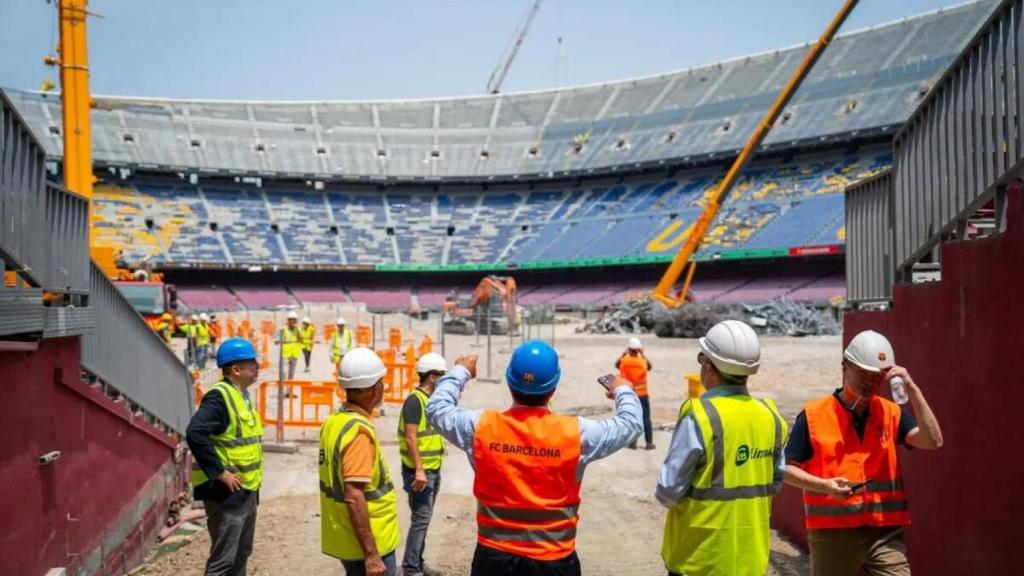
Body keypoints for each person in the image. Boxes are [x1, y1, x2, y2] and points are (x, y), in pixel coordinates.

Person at [427, 340, 642, 576]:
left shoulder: (481, 427)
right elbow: (631, 424)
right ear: (553, 387)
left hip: (494, 559)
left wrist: (461, 371)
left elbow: (436, 409)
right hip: (554, 560)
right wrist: (622, 390)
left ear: (510, 382)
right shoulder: (576, 434)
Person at [783, 330, 943, 576]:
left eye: (877, 377)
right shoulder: (814, 415)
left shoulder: (891, 413)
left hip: (884, 533)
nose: (870, 382)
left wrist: (912, 388)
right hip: (833, 534)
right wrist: (825, 486)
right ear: (845, 367)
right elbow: (785, 469)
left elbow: (933, 441)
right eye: (863, 374)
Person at [656, 320, 787, 576]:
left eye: (701, 358)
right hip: (751, 561)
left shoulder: (700, 415)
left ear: (709, 366)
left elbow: (668, 491)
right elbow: (776, 483)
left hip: (700, 560)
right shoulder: (771, 417)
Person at [186, 338, 264, 576]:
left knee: (241, 554)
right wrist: (219, 472)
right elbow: (195, 433)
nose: (258, 367)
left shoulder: (242, 396)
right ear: (236, 369)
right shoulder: (219, 397)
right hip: (227, 494)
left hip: (246, 490)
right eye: (252, 363)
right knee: (223, 561)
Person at [319, 347, 400, 576]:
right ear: (375, 389)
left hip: (346, 539)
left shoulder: (335, 422)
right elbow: (354, 496)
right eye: (381, 383)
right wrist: (371, 555)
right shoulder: (358, 433)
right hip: (368, 545)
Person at [398, 353, 448, 576]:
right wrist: (419, 469)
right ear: (432, 377)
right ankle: (411, 568)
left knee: (423, 520)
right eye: (442, 376)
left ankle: (417, 562)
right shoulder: (414, 401)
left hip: (432, 469)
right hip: (420, 472)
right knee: (421, 519)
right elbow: (410, 438)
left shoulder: (430, 401)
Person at [616, 337, 655, 450]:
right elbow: (650, 366)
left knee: (632, 418)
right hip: (642, 394)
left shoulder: (624, 361)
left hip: (629, 394)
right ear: (639, 349)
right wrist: (643, 354)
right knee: (646, 418)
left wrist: (624, 354)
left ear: (629, 349)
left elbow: (617, 365)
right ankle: (649, 443)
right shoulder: (643, 362)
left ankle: (633, 443)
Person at [281, 311, 302, 380]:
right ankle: (283, 385)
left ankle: (289, 386)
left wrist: (298, 330)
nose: (292, 322)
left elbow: (300, 340)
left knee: (291, 374)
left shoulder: (298, 330)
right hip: (285, 355)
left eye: (294, 320)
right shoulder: (283, 329)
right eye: (291, 320)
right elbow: (278, 340)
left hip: (294, 355)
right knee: (284, 372)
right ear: (288, 320)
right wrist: (282, 341)